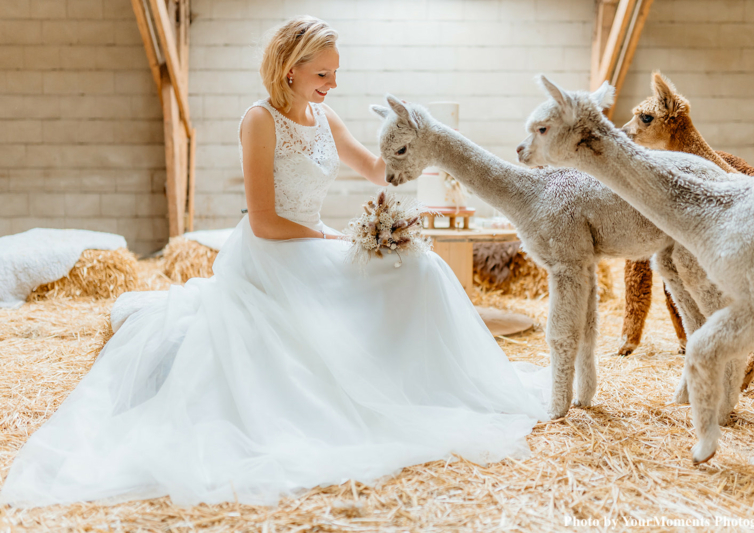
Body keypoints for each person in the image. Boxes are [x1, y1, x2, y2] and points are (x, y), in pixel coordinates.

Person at [0, 16, 549, 507]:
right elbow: (263, 220)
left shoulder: (325, 117)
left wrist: (432, 145)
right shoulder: (259, 121)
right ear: (290, 70)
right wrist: (335, 240)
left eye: (335, 74)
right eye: (324, 75)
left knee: (420, 268)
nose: (334, 85)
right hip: (275, 251)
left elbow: (380, 170)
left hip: (318, 240)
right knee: (372, 285)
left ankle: (425, 385)